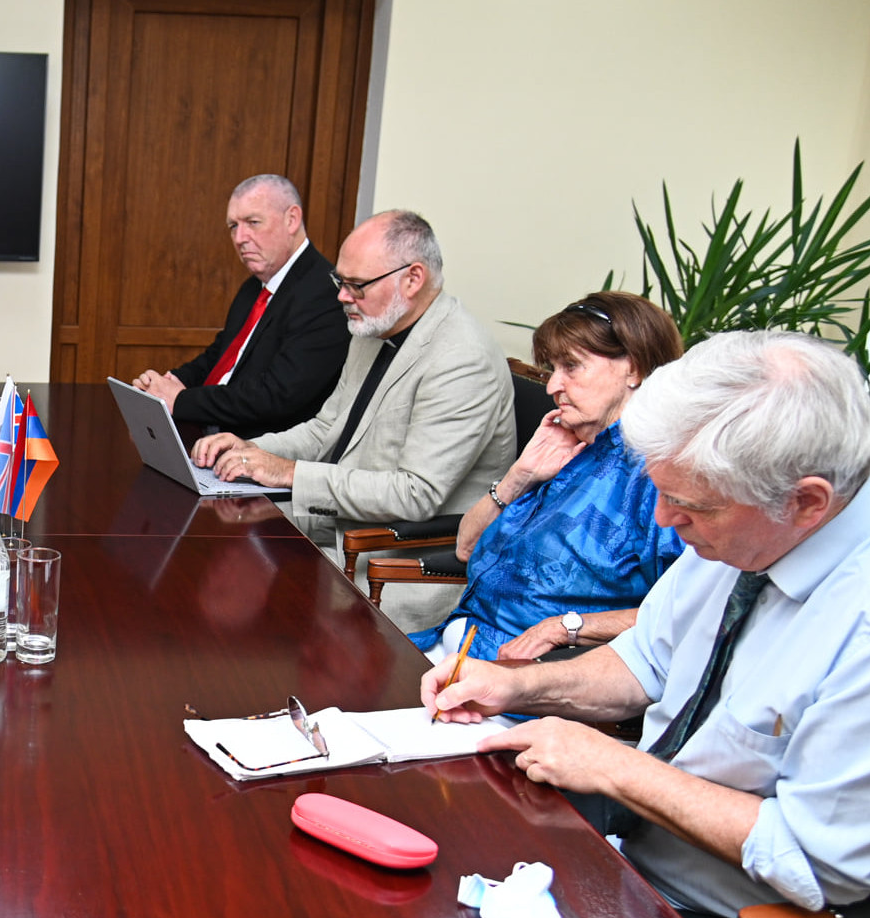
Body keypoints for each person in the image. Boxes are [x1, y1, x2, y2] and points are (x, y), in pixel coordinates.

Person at [426, 331, 870, 918]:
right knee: (439, 886)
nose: (665, 520)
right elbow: (645, 663)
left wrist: (615, 767)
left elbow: (816, 864)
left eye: (689, 504)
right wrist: (518, 687)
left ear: (808, 502)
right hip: (663, 868)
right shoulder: (749, 518)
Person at [191, 210, 514, 550]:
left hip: (390, 557)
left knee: (229, 559)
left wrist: (287, 472)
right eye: (340, 282)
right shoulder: (374, 327)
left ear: (413, 279)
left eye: (356, 285)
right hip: (339, 524)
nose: (342, 297)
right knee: (210, 530)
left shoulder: (462, 359)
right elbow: (325, 429)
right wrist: (251, 450)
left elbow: (415, 494)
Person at [409, 292, 685, 662]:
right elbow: (466, 548)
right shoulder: (571, 445)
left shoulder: (660, 474)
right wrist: (519, 476)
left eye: (571, 366)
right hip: (456, 642)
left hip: (523, 673)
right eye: (552, 369)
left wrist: (565, 627)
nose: (553, 386)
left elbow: (683, 612)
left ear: (633, 368)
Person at [129, 174, 350, 438]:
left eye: (253, 222)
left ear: (292, 219)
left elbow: (277, 395)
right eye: (233, 226)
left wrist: (181, 400)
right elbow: (219, 357)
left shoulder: (326, 294)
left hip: (258, 448)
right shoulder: (253, 287)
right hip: (210, 431)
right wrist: (167, 384)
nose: (239, 238)